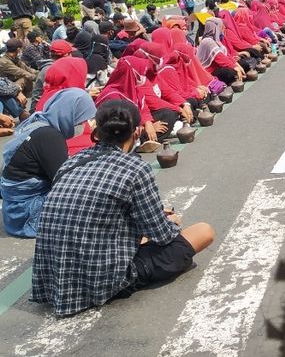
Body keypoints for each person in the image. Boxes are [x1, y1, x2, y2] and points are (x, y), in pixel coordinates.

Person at [31, 100, 214, 316]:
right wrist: (170, 223)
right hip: (99, 282)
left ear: (97, 131)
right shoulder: (136, 168)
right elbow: (162, 235)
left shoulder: (72, 161)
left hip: (54, 280)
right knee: (204, 231)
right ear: (137, 132)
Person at [0, 88, 96, 238]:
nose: (83, 125)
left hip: (15, 212)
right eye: (81, 119)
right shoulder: (49, 136)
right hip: (27, 216)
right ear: (69, 114)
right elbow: (66, 184)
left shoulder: (39, 123)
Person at [30, 40, 73, 112]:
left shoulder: (58, 67)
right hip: (44, 111)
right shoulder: (52, 70)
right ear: (66, 55)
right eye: (71, 53)